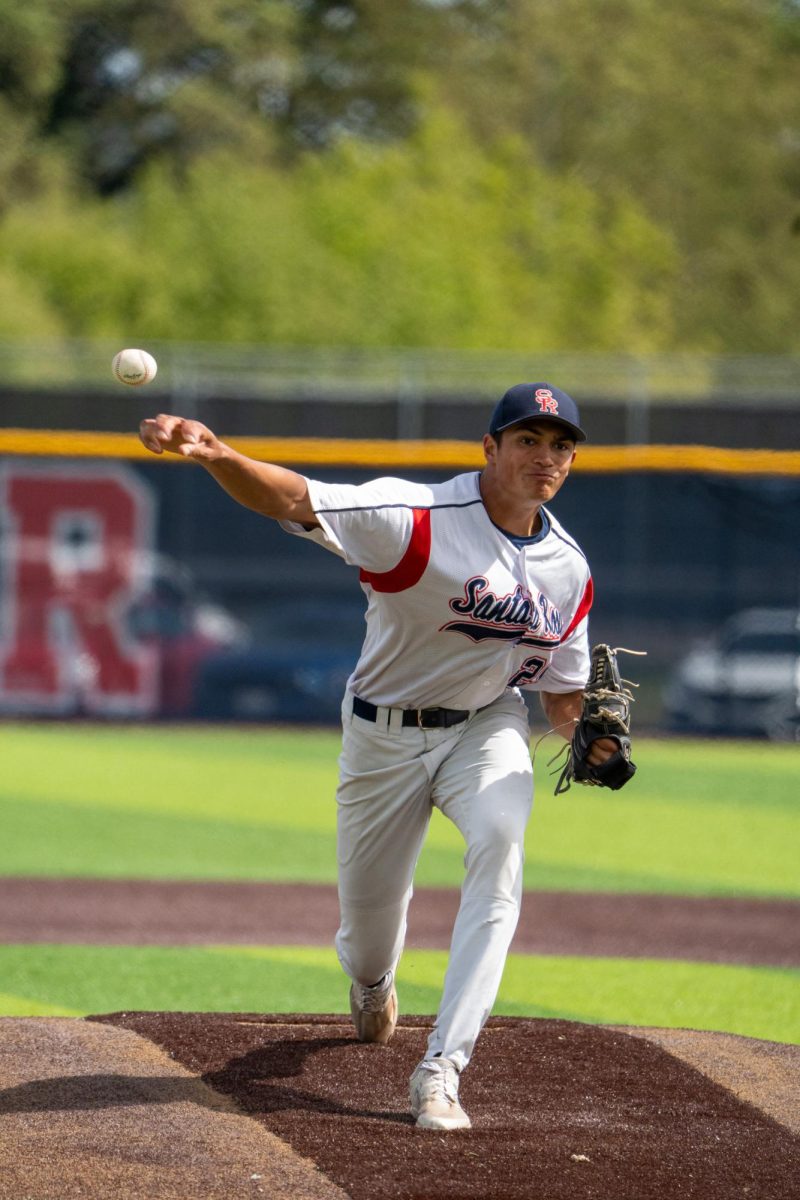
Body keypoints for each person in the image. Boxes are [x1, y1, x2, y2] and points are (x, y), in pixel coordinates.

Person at [139, 381, 617, 1131]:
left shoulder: (568, 569)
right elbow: (293, 498)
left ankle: (442, 1070)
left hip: (485, 727)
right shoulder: (416, 518)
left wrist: (590, 732)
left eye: (561, 445)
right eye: (527, 440)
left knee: (500, 844)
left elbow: (561, 695)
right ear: (489, 449)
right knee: (368, 938)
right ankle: (373, 983)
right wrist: (218, 453)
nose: (546, 456)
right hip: (381, 736)